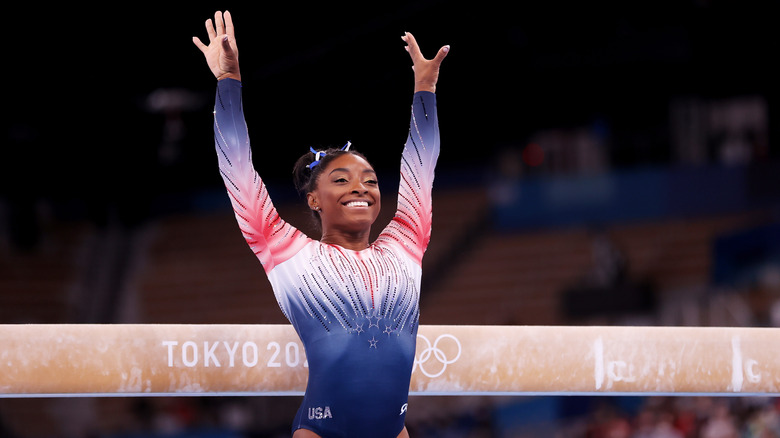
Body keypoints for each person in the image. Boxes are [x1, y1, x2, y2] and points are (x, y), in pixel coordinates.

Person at [193, 10, 448, 438]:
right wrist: (228, 81)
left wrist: (425, 88)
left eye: (369, 180)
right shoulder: (286, 249)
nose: (361, 188)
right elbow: (235, 165)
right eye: (342, 179)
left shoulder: (406, 243)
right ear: (314, 199)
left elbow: (422, 165)